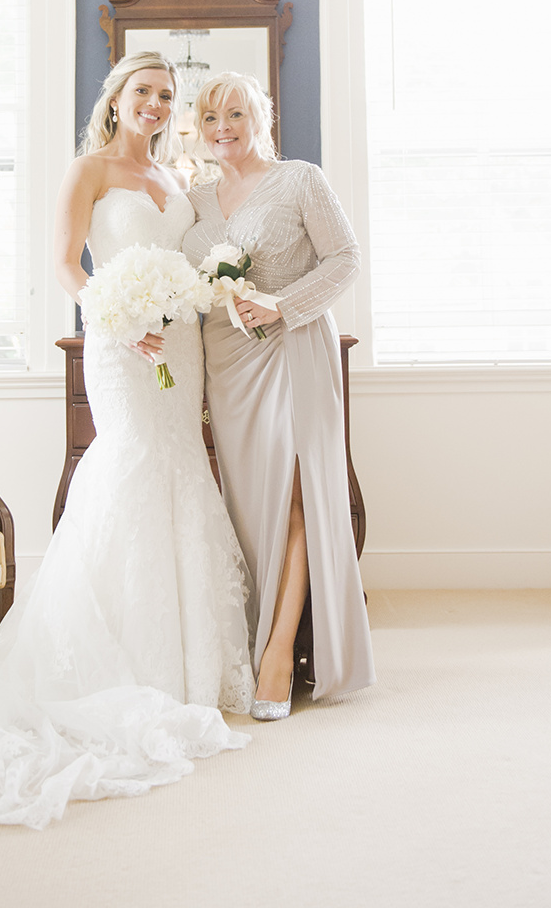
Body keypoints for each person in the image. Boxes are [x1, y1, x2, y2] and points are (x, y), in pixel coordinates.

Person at [0, 53, 254, 830]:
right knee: (130, 465)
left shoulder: (174, 178)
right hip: (121, 341)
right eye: (143, 92)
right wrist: (118, 319)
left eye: (167, 96)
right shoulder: (88, 170)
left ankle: (189, 665)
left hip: (181, 347)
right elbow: (65, 264)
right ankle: (112, 657)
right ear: (117, 97)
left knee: (179, 469)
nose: (155, 105)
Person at [183, 72, 375, 718]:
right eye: (211, 119)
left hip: (291, 350)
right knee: (249, 506)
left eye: (236, 114)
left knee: (297, 499)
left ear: (260, 116)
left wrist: (282, 305)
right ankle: (257, 633)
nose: (223, 129)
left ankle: (277, 656)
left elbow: (345, 259)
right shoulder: (196, 199)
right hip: (226, 364)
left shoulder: (299, 180)